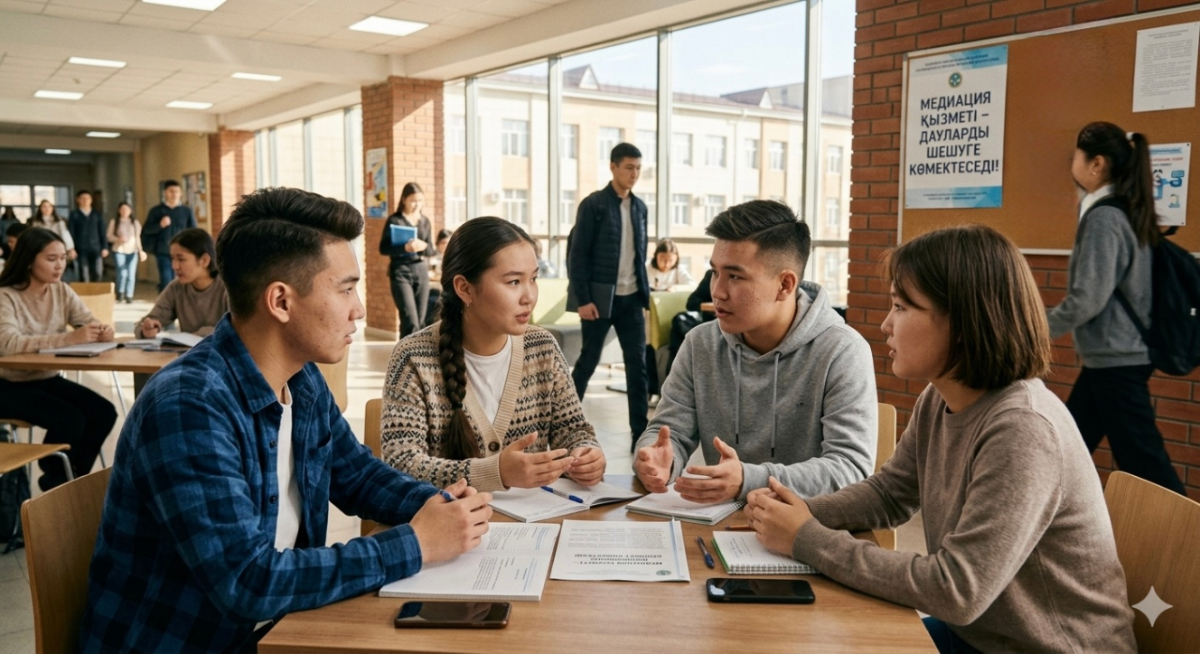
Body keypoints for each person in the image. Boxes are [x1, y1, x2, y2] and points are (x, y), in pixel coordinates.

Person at [81, 187, 492, 652]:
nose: (358, 309)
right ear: (280, 301)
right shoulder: (188, 406)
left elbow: (356, 474)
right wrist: (415, 544)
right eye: (346, 289)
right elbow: (248, 581)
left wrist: (442, 507)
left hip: (278, 628)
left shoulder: (302, 378)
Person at [745, 225, 1136, 653]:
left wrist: (806, 537)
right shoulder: (940, 396)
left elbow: (955, 590)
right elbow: (890, 494)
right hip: (979, 637)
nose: (885, 324)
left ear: (964, 322)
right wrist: (796, 513)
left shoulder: (1023, 429)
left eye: (901, 307)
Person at [634, 200, 876, 503]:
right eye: (714, 272)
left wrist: (748, 480)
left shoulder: (842, 351)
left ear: (785, 285)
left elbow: (851, 469)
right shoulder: (700, 344)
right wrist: (657, 459)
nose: (717, 291)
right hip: (720, 521)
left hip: (808, 524)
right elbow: (668, 433)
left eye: (735, 276)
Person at [382, 217, 605, 493]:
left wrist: (586, 454)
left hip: (535, 518)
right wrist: (495, 472)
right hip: (450, 519)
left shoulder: (542, 347)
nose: (529, 296)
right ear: (464, 288)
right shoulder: (413, 357)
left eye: (533, 279)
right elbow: (400, 465)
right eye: (514, 282)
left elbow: (573, 430)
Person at [1047, 122, 1186, 495]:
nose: (1072, 163)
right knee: (1067, 451)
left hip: (1117, 359)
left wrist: (1035, 328)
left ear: (1097, 164)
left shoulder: (1105, 218)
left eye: (1076, 155)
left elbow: (1087, 299)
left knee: (1144, 466)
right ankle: (1042, 516)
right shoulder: (1125, 211)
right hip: (1111, 359)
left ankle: (1186, 531)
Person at [0, 228, 117, 490]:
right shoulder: (5, 296)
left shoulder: (61, 290)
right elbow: (8, 345)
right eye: (51, 259)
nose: (60, 265)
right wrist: (69, 338)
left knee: (103, 412)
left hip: (45, 378)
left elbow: (86, 321)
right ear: (28, 260)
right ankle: (58, 482)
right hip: (6, 385)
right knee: (70, 419)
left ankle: (67, 480)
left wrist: (102, 330)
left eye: (63, 258)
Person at [568, 142, 651, 448]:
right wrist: (583, 300)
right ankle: (564, 425)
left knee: (638, 367)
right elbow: (577, 255)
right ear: (613, 167)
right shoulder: (594, 205)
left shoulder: (640, 208)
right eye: (629, 167)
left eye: (638, 168)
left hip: (631, 298)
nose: (634, 174)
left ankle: (640, 434)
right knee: (588, 362)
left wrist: (644, 295)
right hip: (599, 299)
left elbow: (639, 254)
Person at [132, 227, 229, 395]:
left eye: (181, 259)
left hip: (224, 363)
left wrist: (200, 333)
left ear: (204, 260)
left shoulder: (228, 287)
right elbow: (149, 320)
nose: (174, 266)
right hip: (190, 362)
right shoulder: (177, 288)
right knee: (145, 374)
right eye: (172, 259)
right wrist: (146, 328)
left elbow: (239, 332)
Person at [380, 182, 435, 338]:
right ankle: (406, 353)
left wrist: (423, 246)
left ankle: (419, 352)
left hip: (421, 270)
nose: (417, 204)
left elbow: (431, 250)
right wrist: (404, 248)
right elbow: (383, 248)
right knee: (410, 319)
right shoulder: (394, 220)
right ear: (404, 200)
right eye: (413, 201)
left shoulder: (425, 221)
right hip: (400, 270)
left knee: (421, 320)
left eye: (420, 201)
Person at [141, 180, 197, 292]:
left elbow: (194, 231)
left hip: (183, 251)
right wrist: (160, 225)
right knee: (166, 280)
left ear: (181, 193)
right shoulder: (156, 211)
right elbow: (147, 230)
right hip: (163, 251)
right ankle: (168, 299)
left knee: (181, 279)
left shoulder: (187, 211)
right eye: (171, 191)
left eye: (177, 191)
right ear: (165, 193)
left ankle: (178, 301)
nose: (174, 194)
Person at [107, 201, 145, 303]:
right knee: (122, 273)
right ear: (119, 210)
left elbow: (137, 238)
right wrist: (118, 239)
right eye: (122, 209)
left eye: (127, 209)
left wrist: (141, 250)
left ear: (131, 210)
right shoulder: (114, 222)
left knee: (131, 274)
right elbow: (109, 236)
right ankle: (120, 292)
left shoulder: (135, 223)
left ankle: (129, 295)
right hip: (119, 250)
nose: (124, 211)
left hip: (132, 251)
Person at [29, 199, 76, 280]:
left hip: (56, 248)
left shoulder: (59, 221)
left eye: (49, 206)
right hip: (41, 248)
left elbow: (65, 235)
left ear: (52, 208)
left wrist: (70, 249)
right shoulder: (35, 222)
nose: (46, 209)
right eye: (44, 207)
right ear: (40, 209)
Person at [69, 190, 108, 283]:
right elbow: (71, 232)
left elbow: (102, 232)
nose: (85, 200)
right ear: (78, 200)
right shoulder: (74, 215)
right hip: (81, 248)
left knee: (98, 272)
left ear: (91, 200)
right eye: (83, 198)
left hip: (96, 248)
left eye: (88, 198)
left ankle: (97, 292)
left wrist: (105, 247)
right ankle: (86, 292)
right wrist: (71, 248)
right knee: (84, 274)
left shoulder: (97, 214)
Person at [425, 228, 453, 328]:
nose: (445, 246)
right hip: (433, 289)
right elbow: (427, 273)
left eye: (448, 243)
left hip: (449, 291)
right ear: (438, 243)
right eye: (443, 243)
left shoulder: (454, 259)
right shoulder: (431, 257)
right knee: (433, 301)